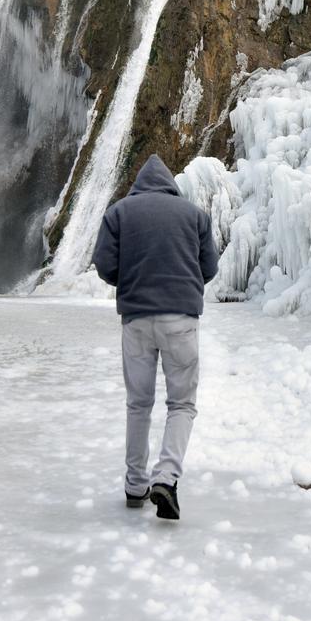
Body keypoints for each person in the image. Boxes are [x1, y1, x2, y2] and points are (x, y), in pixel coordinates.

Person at [92, 154, 218, 521]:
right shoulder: (193, 215)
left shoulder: (119, 213)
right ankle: (166, 477)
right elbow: (209, 267)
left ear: (138, 184)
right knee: (181, 404)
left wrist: (131, 284)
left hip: (136, 320)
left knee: (139, 403)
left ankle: (135, 485)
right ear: (170, 185)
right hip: (181, 319)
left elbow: (104, 265)